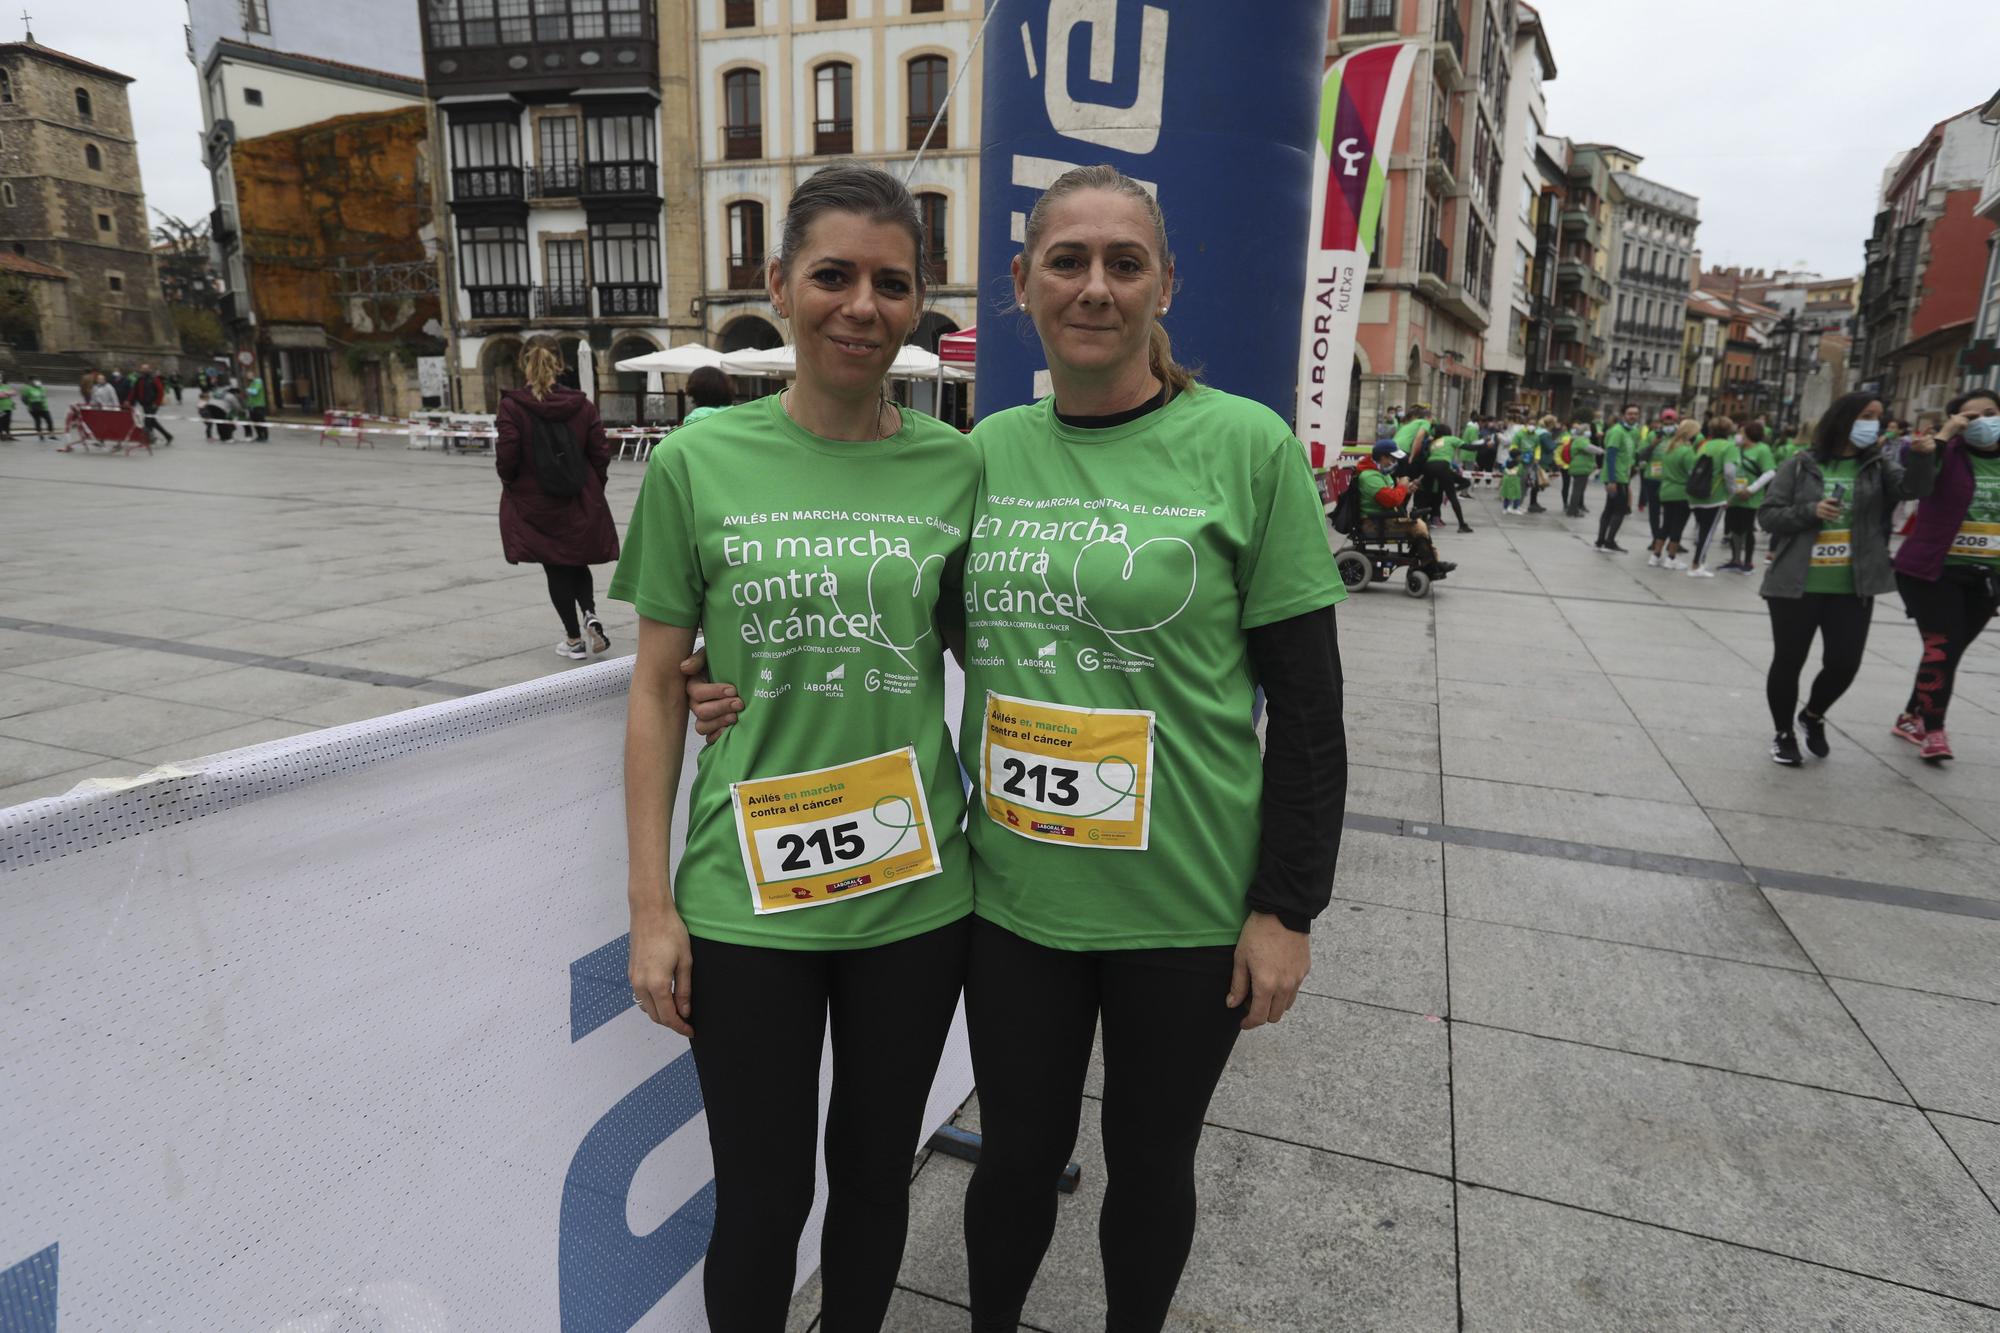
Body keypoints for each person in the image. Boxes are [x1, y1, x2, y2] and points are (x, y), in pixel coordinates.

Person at [615, 164, 978, 1333]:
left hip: (913, 900)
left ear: (919, 301)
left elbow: (1019, 637)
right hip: (744, 901)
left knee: (875, 1182)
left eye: (890, 282)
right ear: (777, 286)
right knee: (762, 1200)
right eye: (831, 276)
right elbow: (657, 691)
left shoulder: (958, 466)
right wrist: (651, 907)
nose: (860, 305)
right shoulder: (696, 461)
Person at [1759, 392, 1935, 766]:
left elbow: (1915, 490)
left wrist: (1922, 456)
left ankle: (1812, 715)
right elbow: (1769, 516)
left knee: (1844, 662)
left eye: (1878, 416)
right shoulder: (1800, 464)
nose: (1875, 422)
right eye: (1865, 416)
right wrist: (1810, 511)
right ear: (1842, 419)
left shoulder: (1878, 465)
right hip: (1796, 583)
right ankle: (1783, 733)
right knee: (1789, 660)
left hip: (1853, 585)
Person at [1889, 388, 2000, 762]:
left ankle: (1910, 716)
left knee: (1948, 652)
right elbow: (1916, 483)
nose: (1984, 422)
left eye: (1991, 412)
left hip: (1988, 575)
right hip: (1934, 573)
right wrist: (1942, 437)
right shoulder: (1944, 454)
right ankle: (1933, 731)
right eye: (1972, 417)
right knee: (1942, 647)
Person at [496, 339, 617, 660]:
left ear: (524, 363)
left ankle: (574, 639)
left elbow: (507, 454)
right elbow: (600, 453)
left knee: (556, 567)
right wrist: (594, 486)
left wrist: (512, 483)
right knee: (577, 560)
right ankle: (590, 612)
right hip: (579, 497)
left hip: (536, 501)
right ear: (562, 364)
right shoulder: (582, 405)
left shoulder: (512, 406)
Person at [1684, 416, 1740, 577]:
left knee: (1701, 529)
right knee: (1708, 532)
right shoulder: (1729, 447)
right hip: (1714, 495)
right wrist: (1732, 492)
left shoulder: (1704, 445)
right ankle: (1696, 565)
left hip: (1696, 494)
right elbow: (1729, 472)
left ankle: (1701, 560)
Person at [1721, 422, 1777, 572]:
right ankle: (1735, 559)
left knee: (1747, 528)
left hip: (1750, 496)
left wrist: (1751, 490)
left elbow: (1770, 472)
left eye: (1741, 432)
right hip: (1734, 495)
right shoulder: (1735, 448)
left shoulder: (1762, 449)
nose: (1738, 435)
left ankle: (1748, 562)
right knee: (1734, 527)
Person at [1596, 403, 1645, 552]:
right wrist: (1611, 480)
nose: (1633, 416)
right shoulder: (1617, 431)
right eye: (1630, 413)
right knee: (1620, 509)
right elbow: (1610, 455)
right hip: (1615, 476)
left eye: (1636, 414)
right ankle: (1609, 542)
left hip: (1624, 475)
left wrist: (1635, 465)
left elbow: (1633, 452)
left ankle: (1600, 541)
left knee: (1610, 508)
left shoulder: (1633, 432)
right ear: (1624, 415)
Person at [1564, 417, 1601, 517]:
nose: (1589, 432)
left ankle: (1574, 509)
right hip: (1580, 468)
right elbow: (1589, 448)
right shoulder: (1581, 440)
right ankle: (1572, 510)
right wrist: (1601, 450)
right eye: (1588, 430)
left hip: (1581, 467)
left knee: (1579, 490)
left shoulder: (1580, 439)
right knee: (1577, 490)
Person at [131, 363, 173, 446]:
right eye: (143, 369)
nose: (144, 370)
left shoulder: (154, 379)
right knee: (152, 421)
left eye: (146, 368)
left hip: (153, 404)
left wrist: (156, 403)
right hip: (144, 404)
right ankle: (168, 436)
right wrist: (130, 400)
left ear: (149, 369)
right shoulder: (140, 379)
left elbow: (160, 392)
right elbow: (135, 391)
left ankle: (147, 439)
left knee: (148, 421)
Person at [243, 372, 270, 441]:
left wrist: (247, 390)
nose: (248, 377)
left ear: (253, 375)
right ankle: (259, 436)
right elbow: (250, 396)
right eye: (247, 375)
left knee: (261, 421)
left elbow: (255, 392)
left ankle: (264, 436)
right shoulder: (252, 383)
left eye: (250, 375)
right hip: (252, 406)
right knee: (255, 422)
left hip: (259, 405)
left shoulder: (258, 382)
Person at [1499, 445, 1525, 514]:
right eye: (1520, 456)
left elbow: (1502, 469)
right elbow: (1521, 473)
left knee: (1507, 495)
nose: (1521, 457)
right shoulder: (1520, 465)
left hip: (1506, 480)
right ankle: (1515, 508)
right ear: (1517, 457)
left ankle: (1505, 508)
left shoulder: (1506, 462)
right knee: (1517, 495)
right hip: (1515, 481)